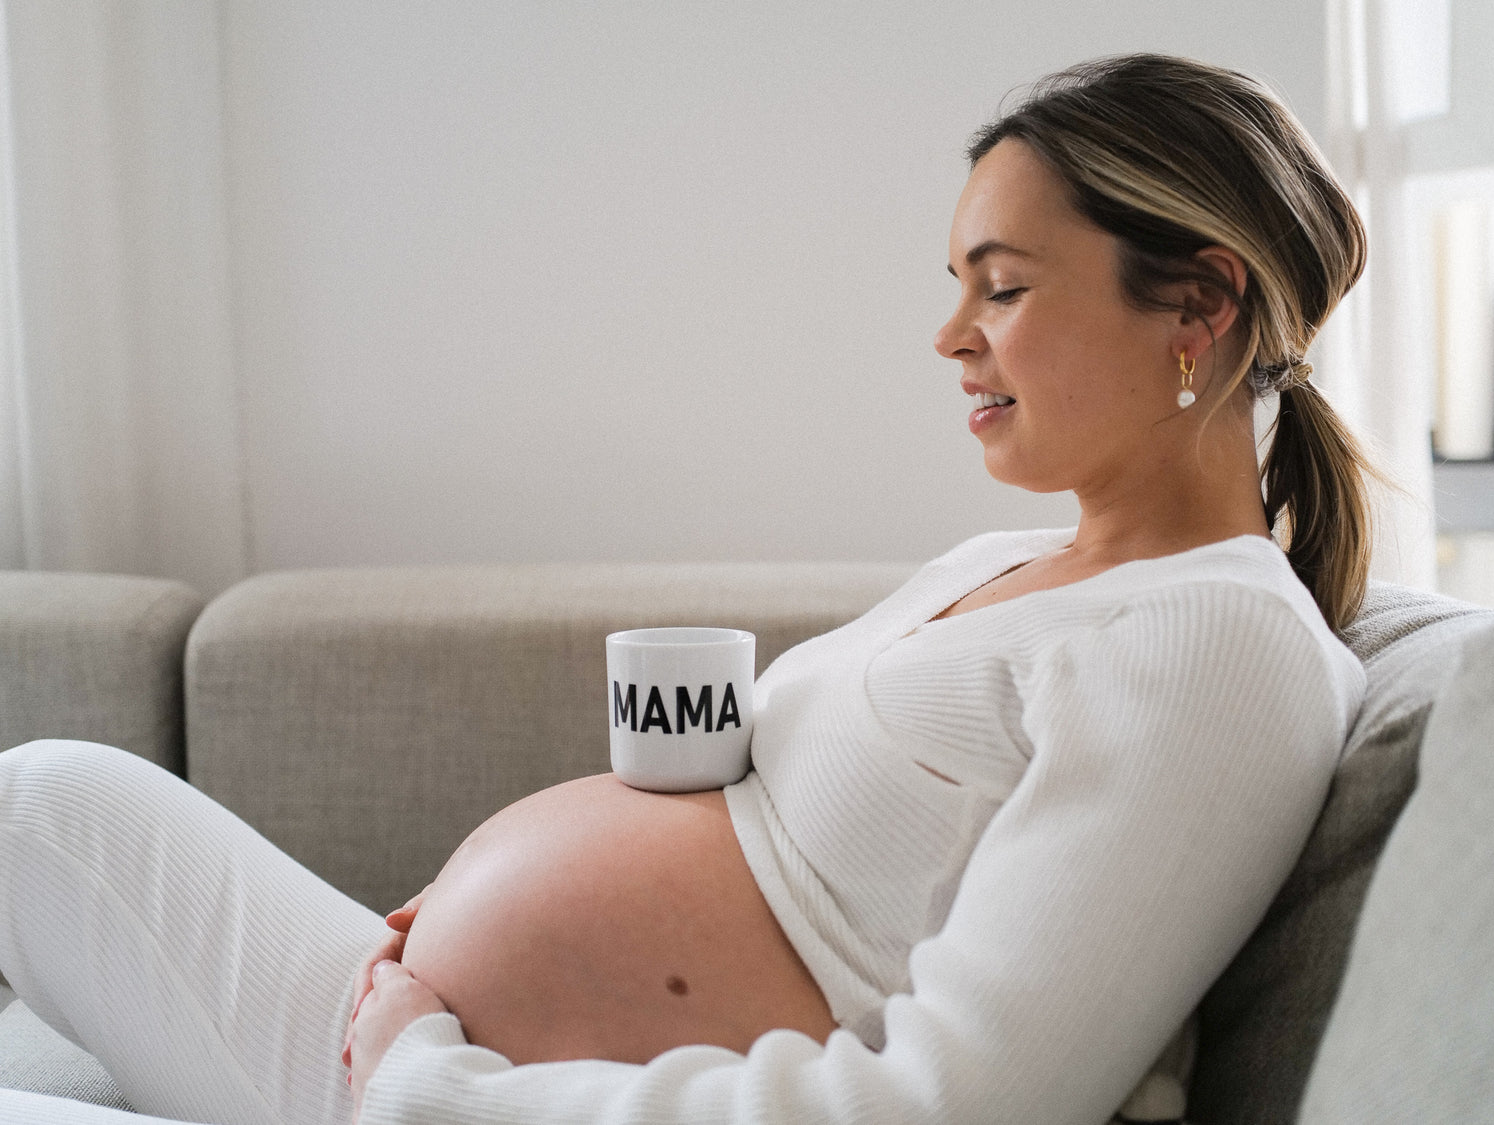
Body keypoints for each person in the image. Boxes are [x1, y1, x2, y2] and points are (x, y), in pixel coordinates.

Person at [0, 53, 1376, 1125]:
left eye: (1002, 288)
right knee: (45, 801)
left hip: (461, 1095)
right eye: (957, 284)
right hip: (435, 1045)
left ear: (1199, 306)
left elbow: (957, 1104)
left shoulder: (1219, 647)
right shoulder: (1011, 565)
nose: (950, 334)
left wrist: (437, 1083)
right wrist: (467, 911)